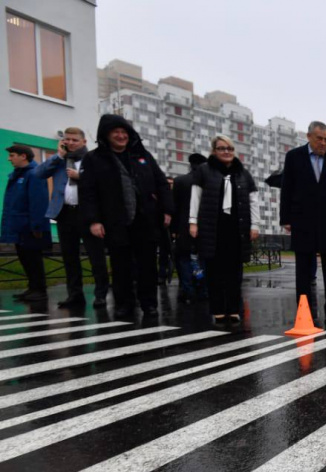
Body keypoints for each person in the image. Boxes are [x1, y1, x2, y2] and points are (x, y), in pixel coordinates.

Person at [79, 114, 172, 319]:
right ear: (106, 135)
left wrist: (166, 210)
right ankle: (124, 304)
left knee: (148, 265)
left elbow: (161, 183)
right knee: (121, 266)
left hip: (145, 219)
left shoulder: (142, 155)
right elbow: (87, 192)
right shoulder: (94, 159)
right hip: (115, 221)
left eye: (124, 132)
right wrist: (94, 220)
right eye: (116, 132)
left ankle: (149, 304)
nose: (121, 136)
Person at [279, 121, 326, 324]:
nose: (323, 143)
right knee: (302, 269)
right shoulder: (293, 158)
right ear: (308, 136)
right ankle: (304, 309)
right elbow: (287, 190)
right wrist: (285, 218)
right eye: (319, 138)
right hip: (302, 220)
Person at [33, 128, 110, 308]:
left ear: (84, 142)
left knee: (95, 256)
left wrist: (81, 177)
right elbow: (38, 174)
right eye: (67, 139)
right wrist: (58, 156)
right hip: (65, 213)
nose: (70, 143)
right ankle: (75, 295)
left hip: (88, 214)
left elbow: (104, 184)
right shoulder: (60, 160)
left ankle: (101, 294)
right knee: (69, 258)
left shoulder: (93, 159)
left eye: (75, 140)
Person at [189, 136, 260, 323]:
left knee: (235, 272)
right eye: (221, 148)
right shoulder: (204, 171)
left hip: (237, 229)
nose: (226, 152)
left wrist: (255, 225)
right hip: (213, 228)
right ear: (214, 151)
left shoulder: (243, 173)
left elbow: (253, 200)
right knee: (214, 271)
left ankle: (234, 309)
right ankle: (218, 309)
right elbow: (196, 197)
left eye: (229, 148)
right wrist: (193, 222)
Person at [2, 145, 51, 302]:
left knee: (33, 258)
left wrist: (37, 226)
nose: (10, 159)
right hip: (19, 225)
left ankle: (39, 289)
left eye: (13, 155)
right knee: (25, 258)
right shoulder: (18, 175)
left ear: (23, 156)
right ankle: (32, 287)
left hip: (29, 226)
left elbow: (38, 202)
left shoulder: (34, 174)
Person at [172, 153, 208, 305]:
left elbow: (174, 207)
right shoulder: (208, 182)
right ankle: (203, 290)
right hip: (205, 228)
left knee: (185, 260)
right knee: (204, 259)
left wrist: (174, 230)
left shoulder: (180, 181)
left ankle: (188, 291)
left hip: (184, 227)